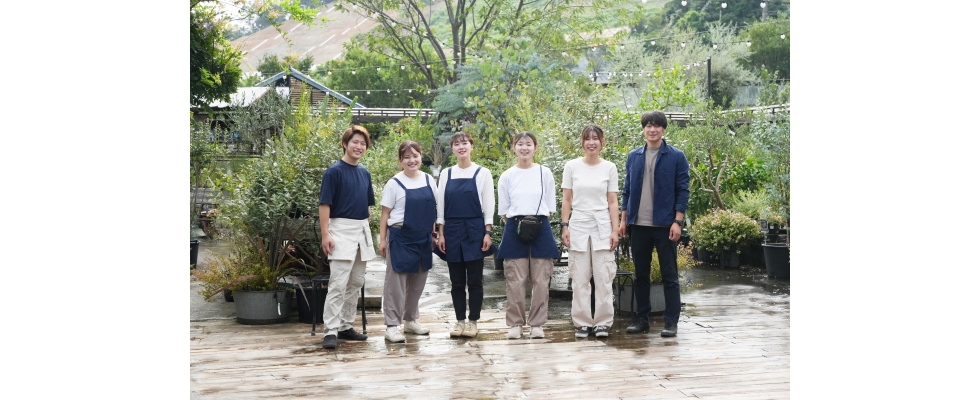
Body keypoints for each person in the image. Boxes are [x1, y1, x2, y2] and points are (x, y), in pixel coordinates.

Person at [619, 111, 690, 337]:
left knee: (669, 275)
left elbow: (683, 190)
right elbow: (627, 190)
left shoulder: (676, 156)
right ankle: (641, 319)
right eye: (648, 126)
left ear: (664, 129)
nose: (652, 129)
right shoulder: (634, 156)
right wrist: (623, 220)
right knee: (641, 275)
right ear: (643, 129)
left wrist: (677, 221)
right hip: (638, 225)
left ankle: (671, 322)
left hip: (665, 224)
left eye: (657, 126)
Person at [497, 132, 559, 340]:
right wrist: (520, 224)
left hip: (541, 225)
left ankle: (537, 323)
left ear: (535, 147)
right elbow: (504, 209)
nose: (524, 148)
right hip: (515, 226)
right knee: (515, 278)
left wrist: (534, 222)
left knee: (541, 278)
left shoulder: (545, 172)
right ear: (513, 148)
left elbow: (550, 206)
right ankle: (515, 324)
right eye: (520, 144)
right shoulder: (507, 175)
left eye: (529, 144)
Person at [560, 124, 620, 339]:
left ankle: (603, 322)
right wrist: (564, 225)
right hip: (579, 223)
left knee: (604, 277)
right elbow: (567, 199)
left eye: (596, 138)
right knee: (580, 277)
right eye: (588, 138)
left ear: (602, 142)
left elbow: (613, 201)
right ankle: (583, 322)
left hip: (603, 223)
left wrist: (615, 230)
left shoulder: (609, 168)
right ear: (582, 142)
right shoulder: (572, 166)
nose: (591, 142)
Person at [318, 125, 376, 349]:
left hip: (361, 230)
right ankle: (330, 330)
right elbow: (325, 205)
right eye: (355, 142)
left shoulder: (364, 173)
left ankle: (345, 325)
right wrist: (326, 235)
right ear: (345, 143)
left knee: (356, 281)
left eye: (363, 143)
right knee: (338, 283)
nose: (359, 146)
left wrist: (364, 226)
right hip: (339, 229)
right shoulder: (334, 172)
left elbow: (368, 206)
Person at [435, 132, 495, 338]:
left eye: (465, 143)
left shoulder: (483, 173)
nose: (461, 147)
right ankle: (459, 321)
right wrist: (441, 233)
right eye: (457, 144)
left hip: (475, 230)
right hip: (452, 231)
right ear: (452, 149)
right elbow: (440, 207)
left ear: (471, 147)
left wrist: (487, 232)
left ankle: (473, 322)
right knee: (457, 281)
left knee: (475, 281)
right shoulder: (446, 174)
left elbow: (489, 206)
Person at [379, 141, 438, 343]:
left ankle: (411, 320)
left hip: (423, 237)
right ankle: (392, 326)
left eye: (415, 156)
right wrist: (382, 240)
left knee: (417, 283)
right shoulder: (394, 183)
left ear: (421, 157)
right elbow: (385, 214)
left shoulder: (429, 180)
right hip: (400, 236)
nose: (412, 160)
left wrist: (435, 232)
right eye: (406, 157)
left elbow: (434, 209)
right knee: (396, 283)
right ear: (400, 160)